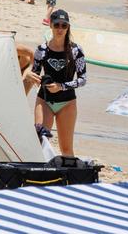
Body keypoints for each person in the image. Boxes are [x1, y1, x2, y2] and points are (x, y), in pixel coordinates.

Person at [33, 10, 86, 157]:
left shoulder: (76, 50)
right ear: (50, 25)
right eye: (57, 25)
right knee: (40, 141)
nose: (60, 29)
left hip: (67, 102)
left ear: (68, 27)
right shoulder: (41, 50)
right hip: (44, 100)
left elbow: (83, 80)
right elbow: (34, 74)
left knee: (66, 149)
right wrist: (33, 78)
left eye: (64, 25)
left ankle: (69, 178)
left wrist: (61, 86)